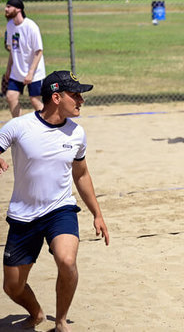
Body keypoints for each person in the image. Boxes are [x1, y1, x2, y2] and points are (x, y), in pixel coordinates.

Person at [0, 70, 109, 331]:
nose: (81, 100)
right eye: (76, 95)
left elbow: (81, 174)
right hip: (23, 215)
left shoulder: (77, 134)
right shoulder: (20, 126)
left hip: (60, 209)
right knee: (12, 287)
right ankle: (37, 313)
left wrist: (97, 213)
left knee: (67, 261)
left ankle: (60, 322)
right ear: (56, 97)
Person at [4, 0, 46, 117]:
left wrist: (31, 73)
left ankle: (48, 124)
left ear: (18, 9)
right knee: (11, 97)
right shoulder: (10, 25)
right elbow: (13, 49)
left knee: (35, 100)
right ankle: (19, 126)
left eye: (8, 6)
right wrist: (8, 69)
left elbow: (39, 51)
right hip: (17, 71)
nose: (5, 9)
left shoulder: (31, 27)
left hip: (34, 72)